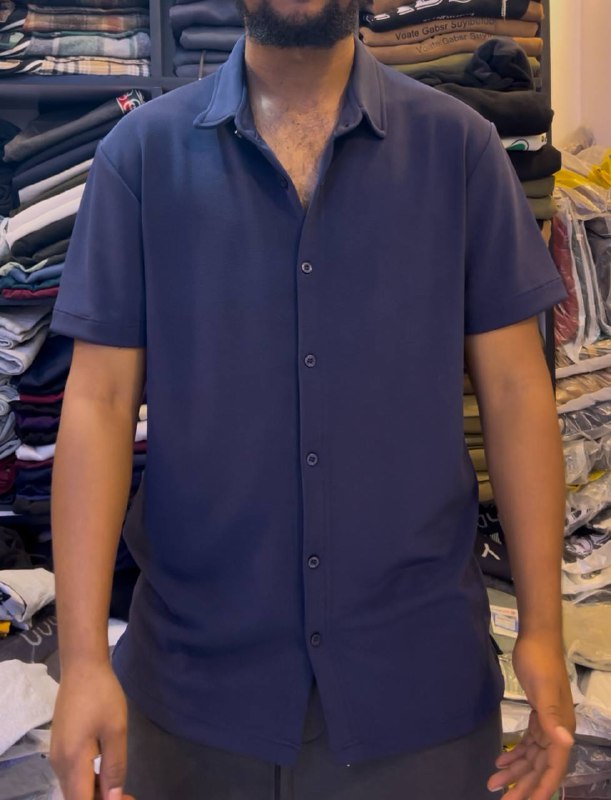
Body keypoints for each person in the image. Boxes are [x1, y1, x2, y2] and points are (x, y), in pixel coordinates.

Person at [48, 0, 576, 798]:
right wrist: (84, 659)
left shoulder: (460, 149)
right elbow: (98, 403)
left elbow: (514, 392)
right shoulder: (141, 156)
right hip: (191, 699)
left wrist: (541, 626)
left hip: (418, 696)